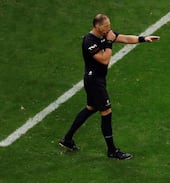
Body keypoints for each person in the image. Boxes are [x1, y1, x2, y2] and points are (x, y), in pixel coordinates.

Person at [59, 13, 160, 160]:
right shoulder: (89, 41)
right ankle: (112, 150)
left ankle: (67, 139)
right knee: (106, 112)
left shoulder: (105, 34)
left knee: (90, 108)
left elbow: (124, 38)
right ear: (97, 26)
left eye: (109, 26)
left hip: (97, 80)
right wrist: (108, 42)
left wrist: (143, 39)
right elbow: (104, 59)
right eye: (106, 27)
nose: (109, 29)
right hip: (94, 82)